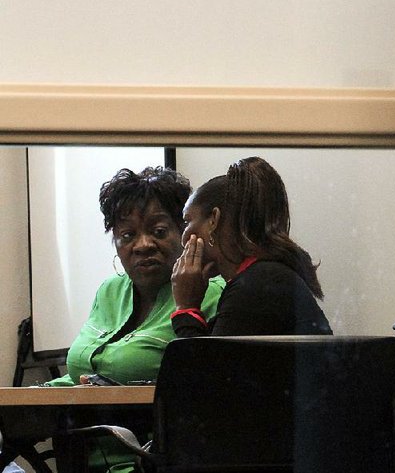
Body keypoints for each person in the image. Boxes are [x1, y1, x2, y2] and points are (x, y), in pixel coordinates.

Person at [47, 167, 224, 387]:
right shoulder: (110, 290)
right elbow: (81, 377)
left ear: (184, 232)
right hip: (87, 419)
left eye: (158, 231)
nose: (143, 245)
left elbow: (207, 382)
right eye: (128, 235)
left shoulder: (211, 291)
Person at [171, 156, 332, 337]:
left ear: (213, 221)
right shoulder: (260, 277)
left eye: (187, 222)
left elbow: (200, 364)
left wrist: (186, 308)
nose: (183, 239)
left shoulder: (257, 285)